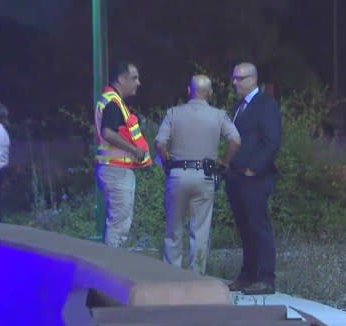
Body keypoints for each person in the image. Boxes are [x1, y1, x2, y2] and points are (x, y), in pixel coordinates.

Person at [155, 75, 240, 274]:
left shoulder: (174, 113)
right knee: (200, 230)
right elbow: (235, 140)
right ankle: (196, 277)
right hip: (205, 176)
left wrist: (167, 160)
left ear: (188, 91)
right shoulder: (219, 116)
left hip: (177, 175)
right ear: (210, 93)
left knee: (173, 229)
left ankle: (171, 276)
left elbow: (159, 142)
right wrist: (223, 163)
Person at [226, 62, 282, 295]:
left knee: (259, 226)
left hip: (255, 177)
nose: (235, 83)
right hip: (236, 176)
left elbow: (272, 141)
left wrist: (254, 168)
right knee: (245, 227)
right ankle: (248, 273)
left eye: (240, 78)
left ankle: (266, 277)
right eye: (234, 78)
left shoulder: (265, 105)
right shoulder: (239, 106)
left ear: (252, 79)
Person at [93, 61, 152, 247]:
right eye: (134, 78)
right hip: (116, 170)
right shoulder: (113, 102)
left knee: (118, 223)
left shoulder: (112, 100)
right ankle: (111, 270)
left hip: (115, 168)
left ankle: (111, 267)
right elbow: (108, 133)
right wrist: (134, 150)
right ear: (121, 79)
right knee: (118, 226)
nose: (138, 83)